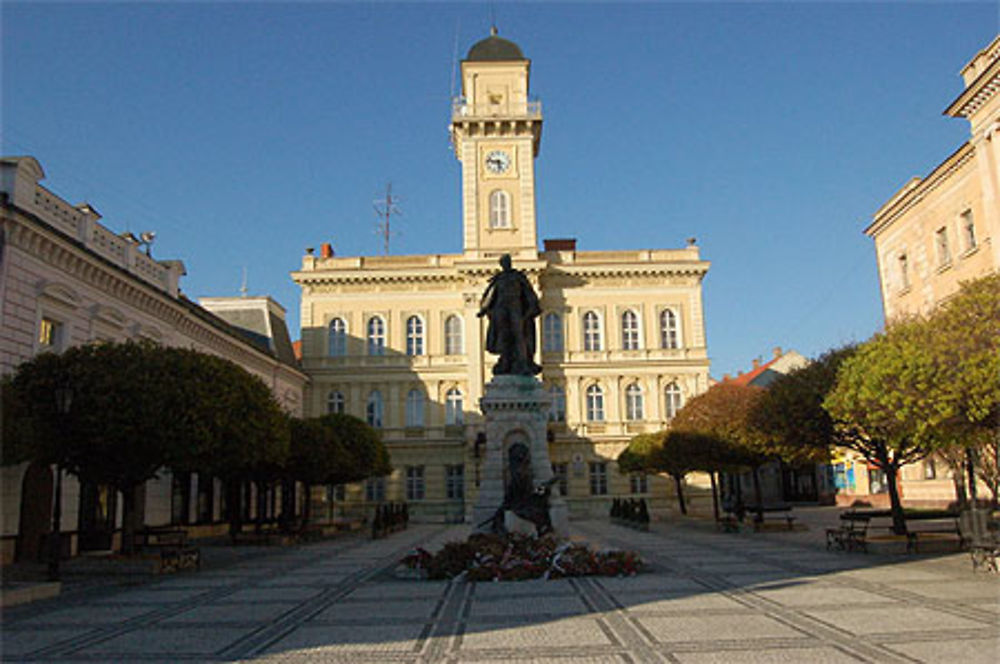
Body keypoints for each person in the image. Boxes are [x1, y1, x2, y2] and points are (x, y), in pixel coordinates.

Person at [477, 254, 541, 375]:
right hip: (501, 309)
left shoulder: (518, 277)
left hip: (515, 308)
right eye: (503, 262)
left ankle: (523, 362)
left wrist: (532, 307)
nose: (505, 264)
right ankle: (505, 359)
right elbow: (489, 295)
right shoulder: (498, 278)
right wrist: (485, 308)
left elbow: (528, 293)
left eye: (507, 262)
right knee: (503, 335)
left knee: (519, 335)